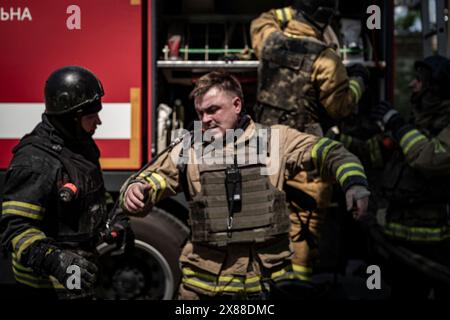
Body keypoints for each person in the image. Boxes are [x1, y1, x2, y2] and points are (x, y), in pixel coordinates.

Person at [120, 71, 370, 300]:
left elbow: (331, 152)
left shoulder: (275, 140)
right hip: (203, 291)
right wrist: (137, 190)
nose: (205, 120)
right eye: (200, 113)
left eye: (213, 110)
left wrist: (354, 183)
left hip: (263, 288)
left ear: (237, 105)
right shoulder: (189, 148)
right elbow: (152, 178)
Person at [250, 0, 370, 279]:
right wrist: (359, 81)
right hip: (306, 158)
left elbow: (261, 19)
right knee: (304, 224)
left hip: (265, 153)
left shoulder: (269, 39)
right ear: (326, 20)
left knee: (268, 221)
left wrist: (287, 12)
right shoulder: (326, 59)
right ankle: (297, 288)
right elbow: (340, 107)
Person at [0, 66, 132, 299]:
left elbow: (93, 195)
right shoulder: (35, 161)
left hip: (77, 282)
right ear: (71, 117)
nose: (98, 122)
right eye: (91, 116)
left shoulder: (81, 146)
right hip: (43, 287)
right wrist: (56, 261)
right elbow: (15, 229)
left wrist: (114, 221)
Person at [371, 55, 450, 299]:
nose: (411, 85)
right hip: (400, 240)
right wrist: (337, 139)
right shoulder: (417, 120)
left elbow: (430, 159)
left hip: (435, 246)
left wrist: (399, 127)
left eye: (418, 80)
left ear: (434, 87)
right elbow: (376, 154)